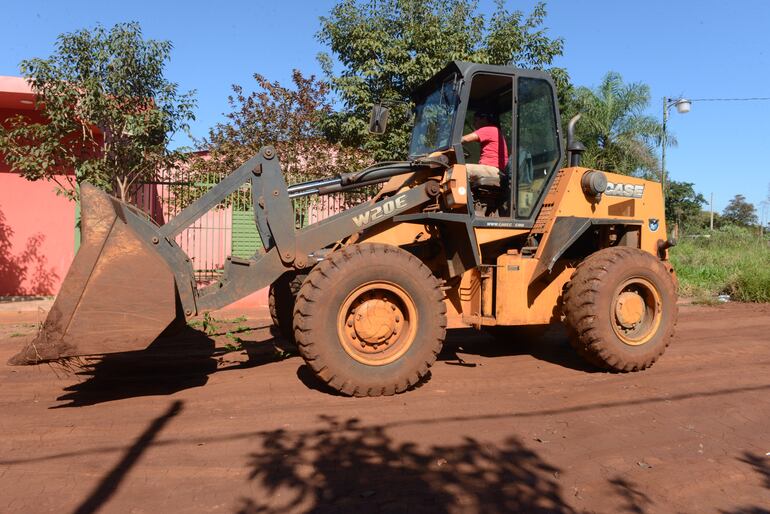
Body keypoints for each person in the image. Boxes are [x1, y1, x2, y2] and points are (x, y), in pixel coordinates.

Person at [461, 112, 509, 185]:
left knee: (460, 170)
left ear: (484, 119)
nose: (474, 124)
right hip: (494, 169)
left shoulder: (489, 129)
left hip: (494, 170)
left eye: (475, 120)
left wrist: (449, 143)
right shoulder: (494, 131)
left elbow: (464, 139)